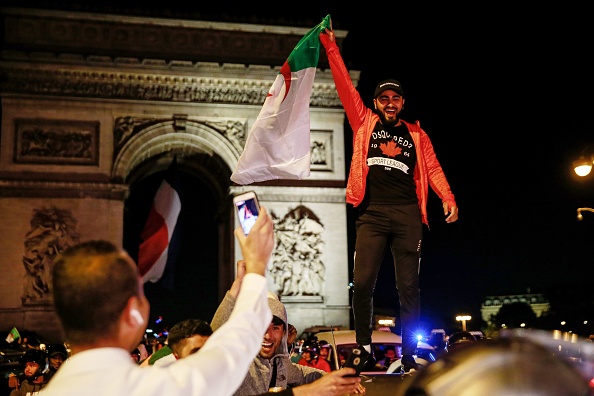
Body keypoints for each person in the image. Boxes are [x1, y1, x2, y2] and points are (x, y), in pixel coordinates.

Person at [320, 23, 459, 374]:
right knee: (363, 281)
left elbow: (434, 167)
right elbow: (343, 85)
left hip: (408, 214)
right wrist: (331, 48)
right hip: (372, 214)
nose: (390, 103)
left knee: (408, 288)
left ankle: (409, 354)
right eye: (384, 98)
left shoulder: (417, 133)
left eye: (396, 98)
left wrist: (447, 196)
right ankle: (365, 347)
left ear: (403, 103)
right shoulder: (363, 120)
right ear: (375, 102)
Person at [42, 205, 276, 396]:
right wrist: (256, 266)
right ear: (133, 312)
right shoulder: (158, 389)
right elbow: (232, 348)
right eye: (141, 292)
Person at [211, 261, 363, 395]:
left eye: (275, 327)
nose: (268, 335)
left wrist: (339, 381)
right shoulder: (238, 360)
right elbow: (212, 343)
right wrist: (235, 291)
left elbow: (305, 374)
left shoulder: (281, 364)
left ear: (284, 331)